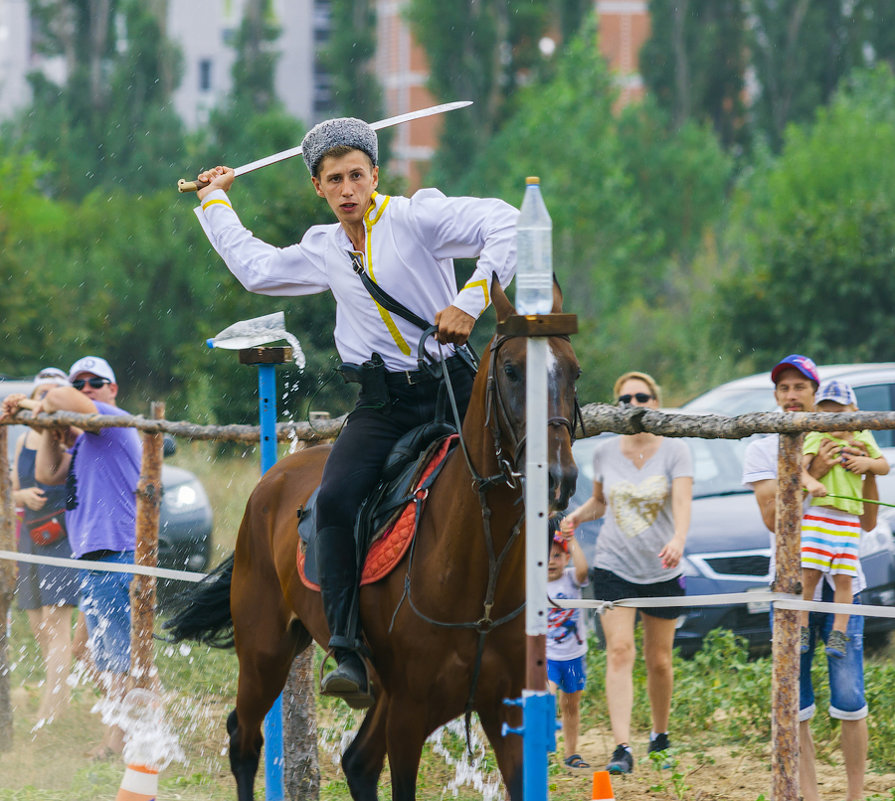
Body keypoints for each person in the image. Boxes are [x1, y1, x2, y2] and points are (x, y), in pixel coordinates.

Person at [191, 117, 518, 706]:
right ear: (318, 187)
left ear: (375, 176)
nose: (347, 189)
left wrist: (471, 299)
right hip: (382, 405)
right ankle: (347, 648)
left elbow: (509, 222)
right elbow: (257, 270)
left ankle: (519, 621)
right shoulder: (323, 249)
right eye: (334, 179)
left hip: (451, 390)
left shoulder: (419, 218)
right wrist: (215, 202)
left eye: (356, 176)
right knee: (336, 498)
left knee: (515, 476)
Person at [742, 354, 870, 801]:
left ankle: (856, 796)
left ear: (818, 395)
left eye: (801, 387)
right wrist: (814, 471)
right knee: (795, 700)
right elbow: (775, 521)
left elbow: (870, 520)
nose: (792, 395)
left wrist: (862, 467)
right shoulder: (761, 446)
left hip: (845, 580)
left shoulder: (855, 435)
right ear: (775, 396)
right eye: (784, 388)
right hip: (792, 584)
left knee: (851, 697)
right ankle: (809, 795)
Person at [562, 371, 692, 775]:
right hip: (615, 564)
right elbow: (601, 503)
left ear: (656, 401)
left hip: (662, 568)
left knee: (659, 660)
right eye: (625, 399)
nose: (634, 405)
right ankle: (622, 747)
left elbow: (683, 505)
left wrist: (678, 540)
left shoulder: (676, 450)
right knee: (619, 652)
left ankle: (660, 736)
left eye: (642, 397)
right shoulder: (604, 453)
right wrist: (576, 519)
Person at [26, 355, 141, 758]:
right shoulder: (88, 438)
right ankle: (136, 725)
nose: (86, 388)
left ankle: (125, 737)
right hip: (94, 555)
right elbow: (46, 473)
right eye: (80, 382)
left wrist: (45, 401)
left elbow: (61, 396)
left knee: (118, 653)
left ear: (112, 390)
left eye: (95, 382)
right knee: (106, 653)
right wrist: (47, 428)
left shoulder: (113, 423)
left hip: (117, 552)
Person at [1, 367, 80, 727]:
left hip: (62, 533)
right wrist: (21, 495)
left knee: (55, 621)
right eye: (41, 391)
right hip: (29, 533)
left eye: (53, 392)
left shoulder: (71, 437)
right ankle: (59, 696)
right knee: (37, 624)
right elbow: (12, 486)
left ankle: (49, 712)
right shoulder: (22, 441)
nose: (45, 398)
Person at [800, 379, 889, 659]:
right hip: (820, 515)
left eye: (840, 411)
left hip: (849, 519)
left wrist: (868, 465)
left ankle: (838, 633)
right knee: (810, 575)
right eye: (827, 412)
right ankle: (802, 625)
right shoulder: (816, 436)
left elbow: (883, 465)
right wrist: (811, 483)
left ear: (854, 410)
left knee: (844, 578)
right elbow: (797, 471)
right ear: (818, 413)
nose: (834, 418)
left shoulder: (862, 436)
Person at [546, 517, 590, 769]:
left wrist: (570, 539)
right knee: (546, 696)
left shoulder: (573, 578)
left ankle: (571, 754)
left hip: (574, 657)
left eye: (557, 555)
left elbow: (584, 569)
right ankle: (542, 748)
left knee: (571, 705)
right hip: (548, 657)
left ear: (566, 558)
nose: (551, 561)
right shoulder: (534, 583)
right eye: (547, 556)